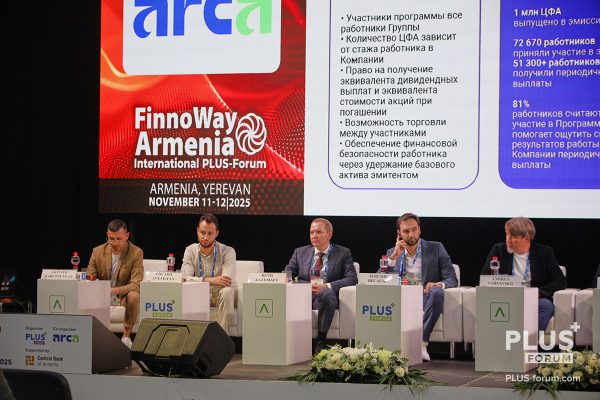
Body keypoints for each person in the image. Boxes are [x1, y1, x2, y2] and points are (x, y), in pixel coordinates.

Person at [377, 213, 458, 361]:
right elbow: (378, 280)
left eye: (414, 229)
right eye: (406, 231)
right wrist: (393, 258)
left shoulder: (436, 248)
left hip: (425, 296)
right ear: (399, 233)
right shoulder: (392, 252)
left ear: (419, 230)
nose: (411, 234)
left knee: (437, 292)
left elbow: (451, 278)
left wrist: (438, 284)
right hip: (401, 298)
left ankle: (421, 343)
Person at [285, 218, 358, 354]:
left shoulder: (343, 253)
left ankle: (321, 340)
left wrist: (327, 286)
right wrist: (302, 287)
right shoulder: (300, 252)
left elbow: (352, 278)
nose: (314, 235)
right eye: (312, 232)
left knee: (327, 293)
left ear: (329, 235)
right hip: (304, 297)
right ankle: (290, 341)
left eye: (318, 232)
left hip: (326, 299)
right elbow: (287, 275)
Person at [482, 217, 566, 334]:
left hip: (535, 298)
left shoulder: (544, 253)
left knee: (546, 306)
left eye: (513, 236)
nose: (508, 239)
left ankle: (528, 340)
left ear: (526, 238)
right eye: (507, 234)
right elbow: (485, 277)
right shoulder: (499, 250)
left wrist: (537, 293)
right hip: (507, 298)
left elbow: (559, 281)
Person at [86, 219, 143, 348]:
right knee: (85, 290)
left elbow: (136, 284)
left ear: (127, 236)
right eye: (111, 239)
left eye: (119, 239)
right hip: (102, 295)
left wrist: (114, 291)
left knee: (134, 295)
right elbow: (89, 277)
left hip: (122, 296)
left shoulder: (136, 253)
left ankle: (126, 336)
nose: (115, 243)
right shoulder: (97, 251)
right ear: (107, 235)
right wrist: (96, 286)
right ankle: (90, 334)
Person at [181, 214, 236, 333]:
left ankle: (222, 339)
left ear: (217, 233)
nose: (205, 237)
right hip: (199, 292)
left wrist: (197, 280)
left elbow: (226, 281)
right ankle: (192, 339)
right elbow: (185, 278)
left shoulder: (228, 251)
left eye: (210, 233)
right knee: (187, 289)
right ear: (197, 231)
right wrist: (211, 280)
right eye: (202, 232)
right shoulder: (190, 250)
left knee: (227, 292)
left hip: (219, 294)